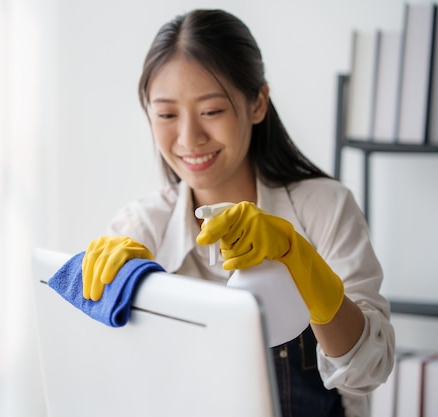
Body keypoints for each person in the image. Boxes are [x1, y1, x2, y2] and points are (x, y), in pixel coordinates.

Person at [80, 9, 394, 417]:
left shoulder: (326, 208)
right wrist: (116, 305)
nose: (189, 138)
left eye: (211, 111)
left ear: (258, 104)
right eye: (167, 115)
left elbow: (369, 370)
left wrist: (298, 259)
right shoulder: (139, 228)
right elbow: (107, 386)